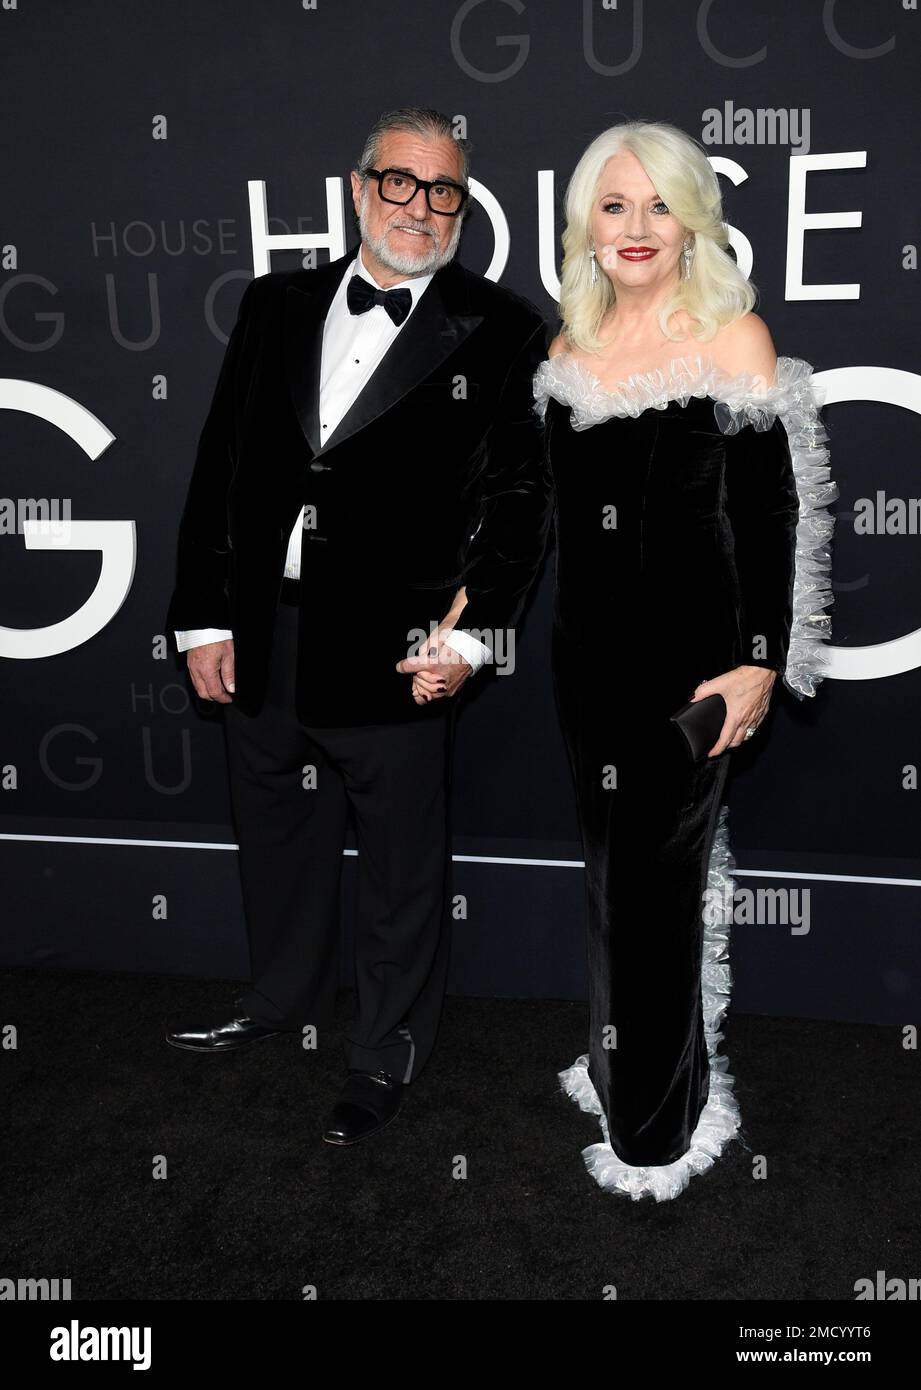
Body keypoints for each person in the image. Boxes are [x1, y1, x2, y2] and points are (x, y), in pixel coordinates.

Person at [164, 107, 553, 1147]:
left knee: (399, 865)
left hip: (396, 644)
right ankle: (278, 998)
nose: (421, 209)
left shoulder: (505, 328)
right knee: (277, 830)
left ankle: (385, 1055)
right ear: (357, 187)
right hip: (262, 629)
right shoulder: (273, 305)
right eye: (401, 183)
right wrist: (202, 613)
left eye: (444, 192)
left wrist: (471, 639)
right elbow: (221, 467)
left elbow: (523, 503)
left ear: (463, 206)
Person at [528, 121, 836, 1199]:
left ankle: (656, 1132)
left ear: (693, 215)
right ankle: (625, 1063)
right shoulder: (565, 356)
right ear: (585, 226)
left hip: (692, 678)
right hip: (584, 670)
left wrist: (758, 662)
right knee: (613, 882)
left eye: (660, 204)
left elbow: (773, 515)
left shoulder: (734, 341)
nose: (638, 227)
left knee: (658, 894)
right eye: (615, 206)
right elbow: (546, 518)